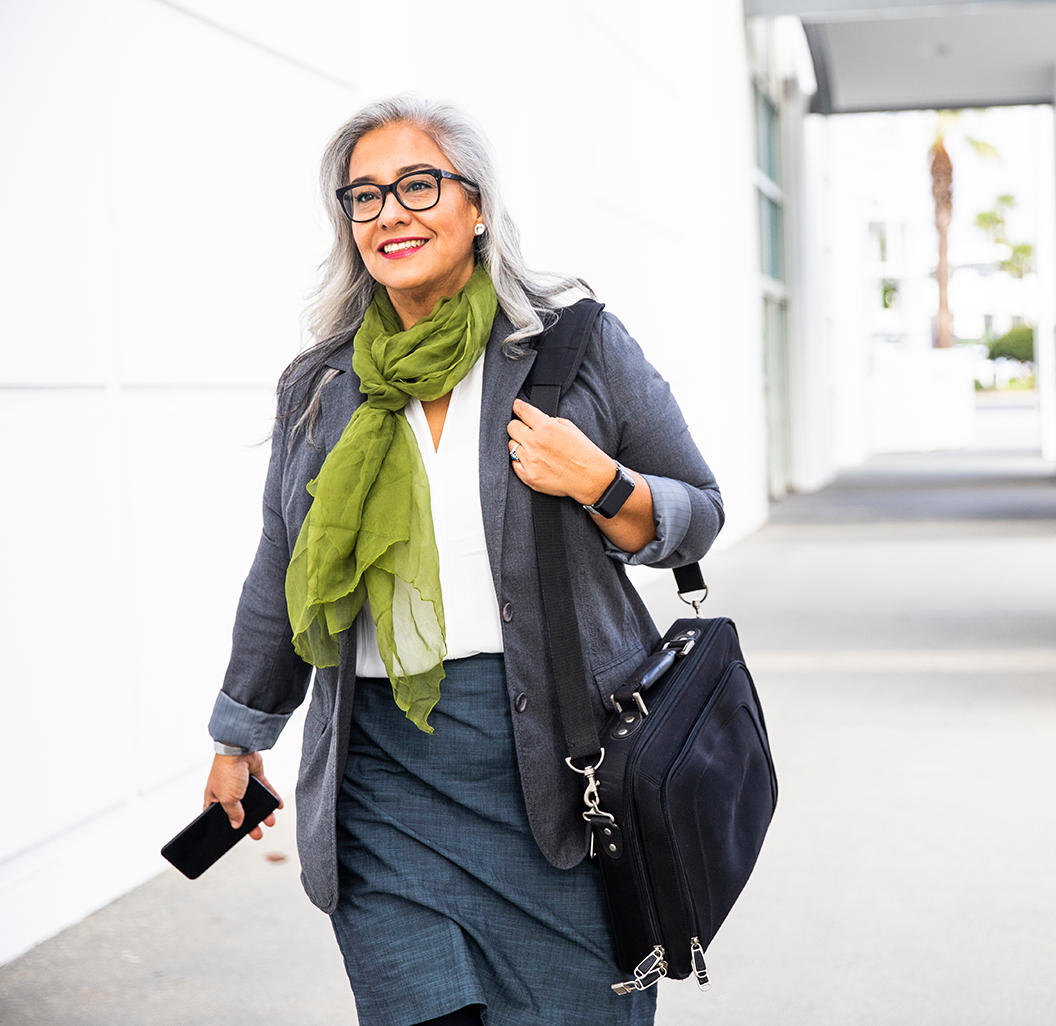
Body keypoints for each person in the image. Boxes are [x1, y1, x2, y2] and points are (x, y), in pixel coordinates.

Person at [200, 96, 723, 1026]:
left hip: (561, 776)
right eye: (363, 197)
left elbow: (697, 513)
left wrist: (601, 481)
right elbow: (280, 574)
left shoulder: (573, 348)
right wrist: (240, 735)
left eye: (417, 184)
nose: (389, 213)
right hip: (381, 778)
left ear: (476, 206)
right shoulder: (322, 386)